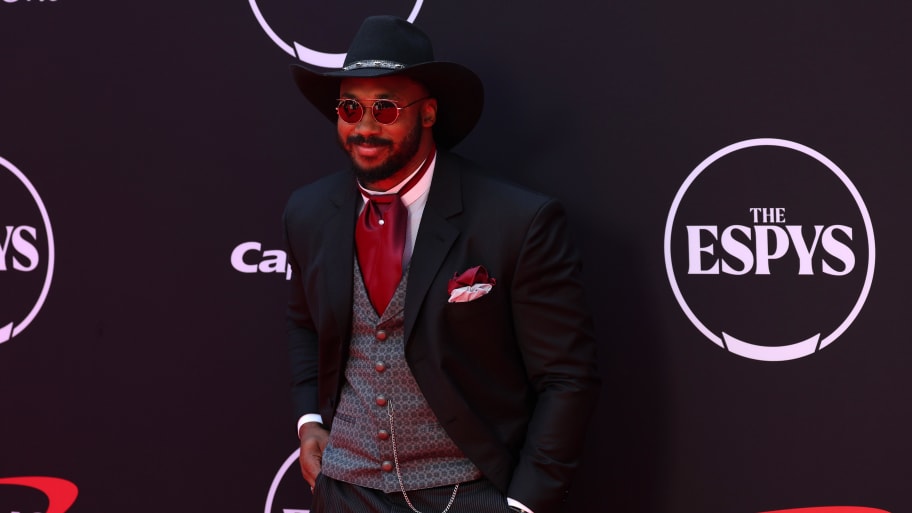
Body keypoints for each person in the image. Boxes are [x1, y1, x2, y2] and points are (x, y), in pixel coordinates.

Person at [283, 15, 600, 513]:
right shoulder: (307, 213)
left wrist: (525, 504)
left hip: (469, 493)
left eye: (385, 108)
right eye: (350, 107)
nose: (364, 126)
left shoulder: (516, 220)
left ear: (428, 113)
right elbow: (305, 325)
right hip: (344, 492)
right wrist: (309, 422)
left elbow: (566, 377)